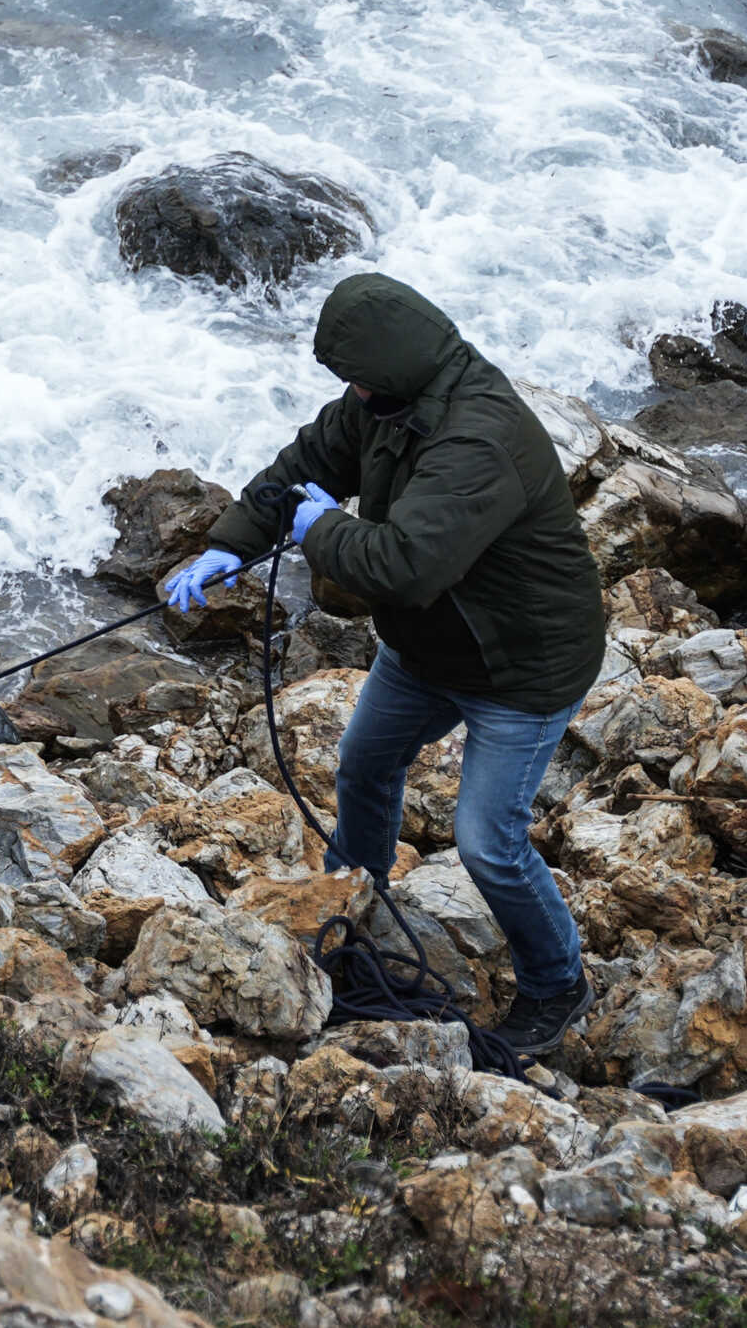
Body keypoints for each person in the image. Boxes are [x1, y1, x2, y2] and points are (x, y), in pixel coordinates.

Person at [168, 273, 607, 1055]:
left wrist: (318, 526)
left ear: (394, 370)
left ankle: (558, 983)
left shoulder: (478, 439)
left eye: (357, 379)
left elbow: (402, 563)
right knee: (365, 763)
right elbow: (300, 465)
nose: (350, 391)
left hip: (522, 669)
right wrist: (229, 544)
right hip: (428, 649)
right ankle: (351, 906)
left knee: (487, 840)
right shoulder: (382, 405)